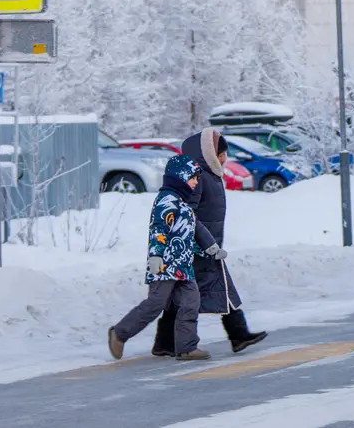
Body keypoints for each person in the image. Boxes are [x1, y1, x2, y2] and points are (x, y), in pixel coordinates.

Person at [152, 129, 267, 357]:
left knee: (199, 291)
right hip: (196, 247)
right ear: (208, 153)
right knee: (200, 291)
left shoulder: (210, 175)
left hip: (207, 246)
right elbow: (187, 213)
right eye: (221, 153)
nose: (224, 158)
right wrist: (201, 242)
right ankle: (237, 335)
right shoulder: (198, 177)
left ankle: (166, 342)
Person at [108, 155, 213, 361]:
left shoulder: (183, 204)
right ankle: (120, 333)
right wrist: (155, 256)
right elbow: (159, 229)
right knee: (156, 303)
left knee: (191, 302)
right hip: (164, 264)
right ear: (180, 177)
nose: (195, 182)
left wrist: (207, 250)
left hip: (183, 266)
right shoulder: (167, 201)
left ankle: (186, 347)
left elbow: (184, 236)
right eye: (192, 178)